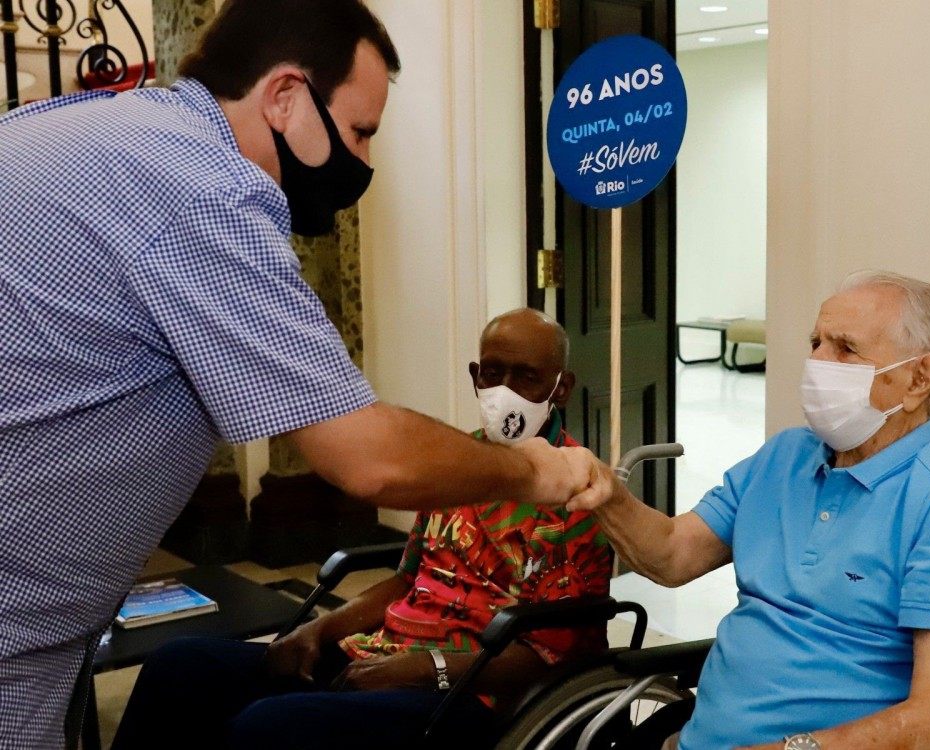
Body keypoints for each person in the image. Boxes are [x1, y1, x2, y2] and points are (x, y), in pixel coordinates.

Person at [0, 3, 590, 745]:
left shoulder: (79, 130)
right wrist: (532, 472)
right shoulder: (206, 188)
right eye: (360, 131)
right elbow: (370, 457)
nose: (366, 163)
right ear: (285, 96)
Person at [110, 308, 610, 749]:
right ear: (475, 376)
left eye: (525, 376)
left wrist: (424, 670)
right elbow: (408, 579)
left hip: (473, 692)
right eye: (493, 373)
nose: (504, 391)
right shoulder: (460, 463)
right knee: (179, 667)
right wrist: (319, 629)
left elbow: (550, 655)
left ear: (561, 386)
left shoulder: (579, 496)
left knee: (268, 728)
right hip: (382, 652)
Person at [569, 271, 930, 750]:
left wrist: (795, 748)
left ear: (918, 378)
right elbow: (672, 554)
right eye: (816, 342)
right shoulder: (785, 457)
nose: (816, 361)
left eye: (845, 349)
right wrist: (607, 493)